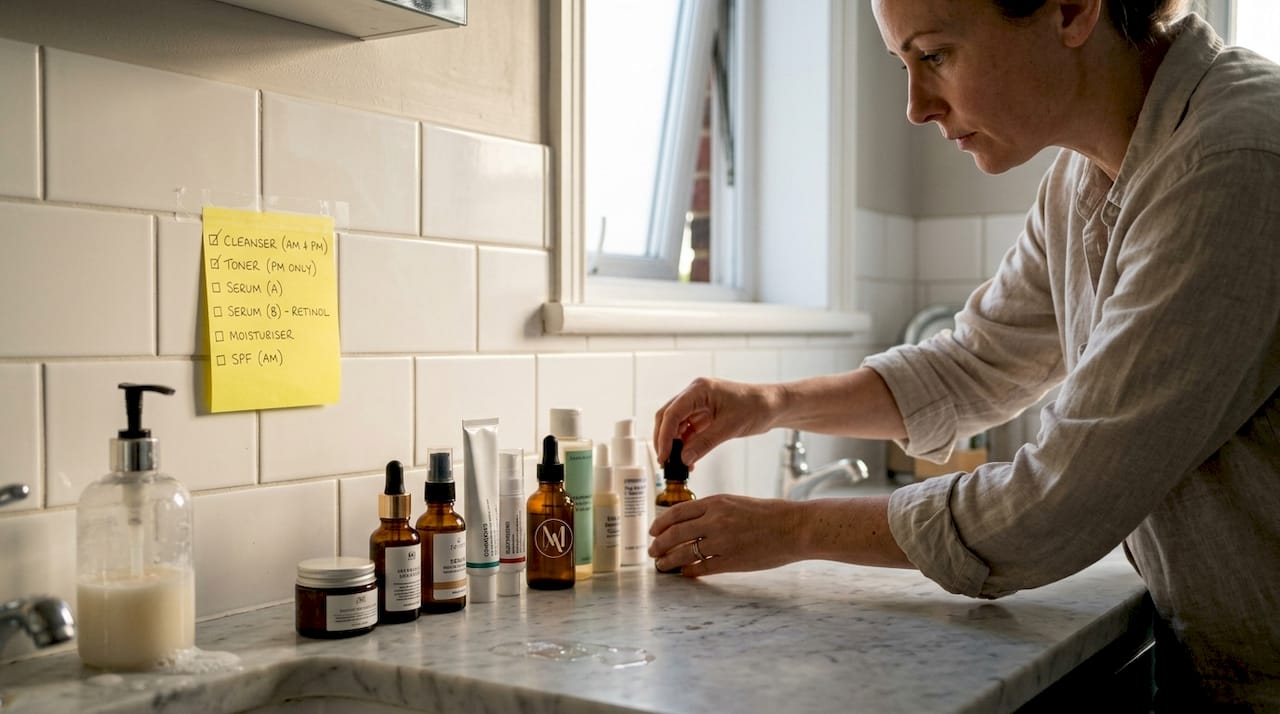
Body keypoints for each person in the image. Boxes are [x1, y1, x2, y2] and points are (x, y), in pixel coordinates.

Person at [647, 0, 1280, 708]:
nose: (915, 108)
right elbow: (973, 364)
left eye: (935, 55)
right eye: (903, 63)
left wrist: (792, 526)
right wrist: (770, 405)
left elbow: (1055, 507)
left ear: (1070, 10)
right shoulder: (1084, 180)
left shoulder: (1233, 163)